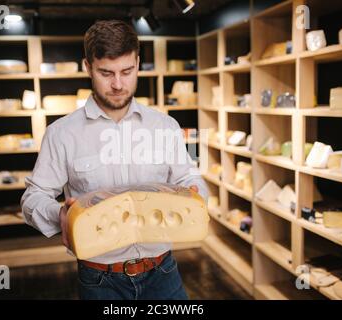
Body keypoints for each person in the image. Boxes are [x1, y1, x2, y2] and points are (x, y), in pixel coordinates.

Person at [21, 19, 209, 300]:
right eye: (106, 73)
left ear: (138, 63)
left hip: (163, 273)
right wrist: (60, 214)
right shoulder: (61, 134)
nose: (118, 84)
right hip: (100, 280)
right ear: (88, 67)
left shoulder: (166, 126)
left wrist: (195, 193)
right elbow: (33, 197)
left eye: (127, 71)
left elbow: (189, 177)